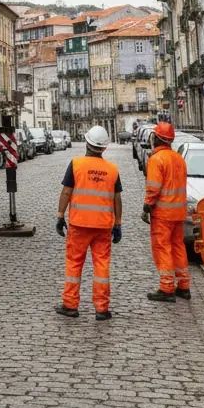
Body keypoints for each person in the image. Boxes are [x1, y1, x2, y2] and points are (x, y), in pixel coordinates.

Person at [55, 125, 122, 321]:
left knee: (74, 264)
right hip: (103, 226)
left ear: (87, 143)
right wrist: (118, 224)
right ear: (104, 148)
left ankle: (70, 305)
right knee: (102, 265)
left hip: (79, 225)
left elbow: (67, 192)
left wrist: (60, 216)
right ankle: (102, 308)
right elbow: (117, 199)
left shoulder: (76, 164)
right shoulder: (112, 169)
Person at [143, 120, 190, 302]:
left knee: (163, 248)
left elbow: (154, 188)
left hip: (163, 213)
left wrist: (147, 206)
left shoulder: (157, 159)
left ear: (157, 138)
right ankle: (184, 285)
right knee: (178, 247)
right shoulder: (178, 158)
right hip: (179, 211)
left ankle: (167, 287)